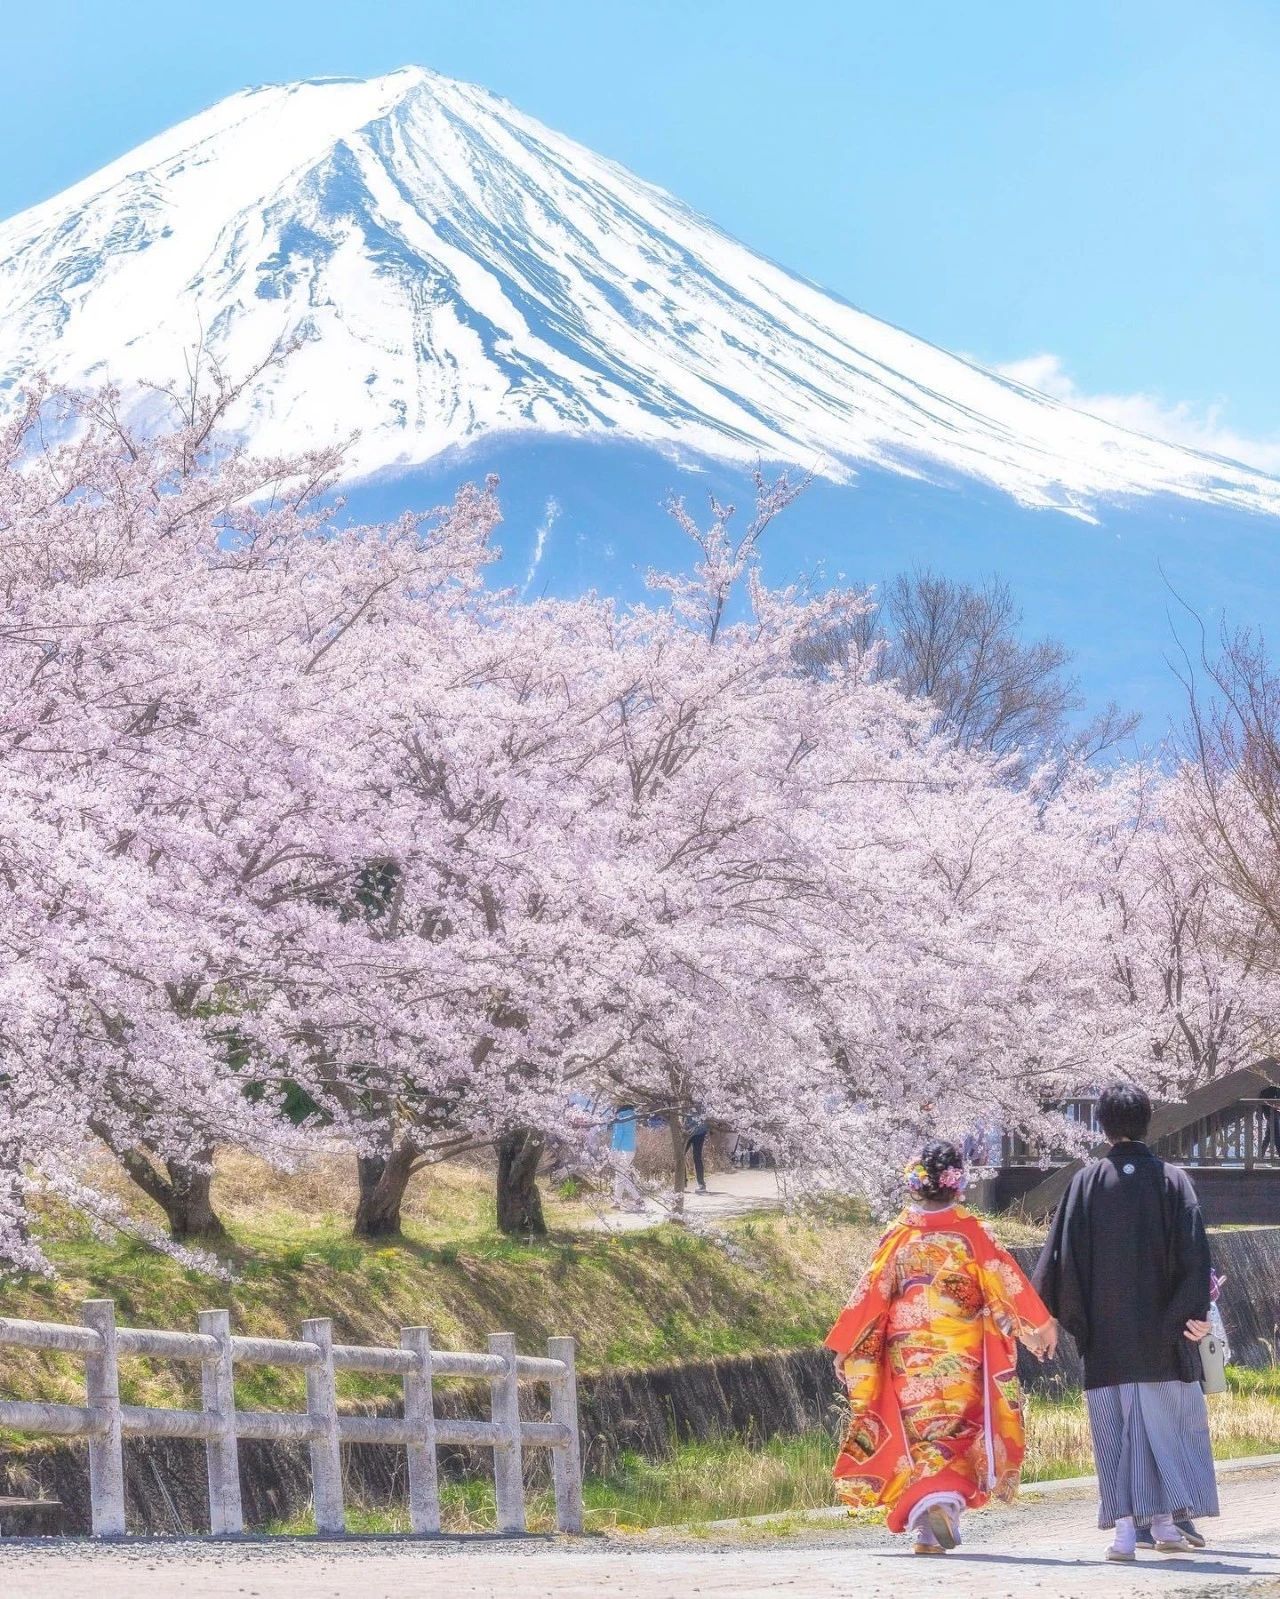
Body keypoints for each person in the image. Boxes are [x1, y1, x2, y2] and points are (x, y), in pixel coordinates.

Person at [825, 1140, 1056, 1556]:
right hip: (961, 1351)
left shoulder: (899, 1234)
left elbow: (870, 1294)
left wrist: (846, 1344)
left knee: (920, 1430)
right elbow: (1007, 1281)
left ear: (915, 1184)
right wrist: (1037, 1325)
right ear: (957, 1184)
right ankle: (943, 1509)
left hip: (908, 1351)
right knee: (957, 1429)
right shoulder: (972, 1232)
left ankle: (928, 1524)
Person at [1033, 1082, 1218, 1562]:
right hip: (1163, 1336)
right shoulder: (1172, 1180)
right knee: (1163, 1428)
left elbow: (1061, 1256)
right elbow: (1195, 1253)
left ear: (1102, 1126)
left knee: (1117, 1433)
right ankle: (1165, 1525)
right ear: (1148, 1119)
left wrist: (1053, 1318)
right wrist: (1193, 1315)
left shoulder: (1086, 1183)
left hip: (1107, 1339)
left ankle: (1124, 1535)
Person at [608, 1103, 645, 1212]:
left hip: (621, 1150)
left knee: (621, 1176)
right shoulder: (632, 1117)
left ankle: (637, 1199)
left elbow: (617, 1135)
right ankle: (617, 1201)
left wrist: (613, 1150)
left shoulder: (621, 1117)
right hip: (630, 1149)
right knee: (621, 1175)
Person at [684, 1109, 709, 1193]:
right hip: (686, 1132)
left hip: (699, 1132)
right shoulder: (681, 1099)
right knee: (680, 1156)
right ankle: (682, 1182)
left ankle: (701, 1184)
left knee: (697, 1157)